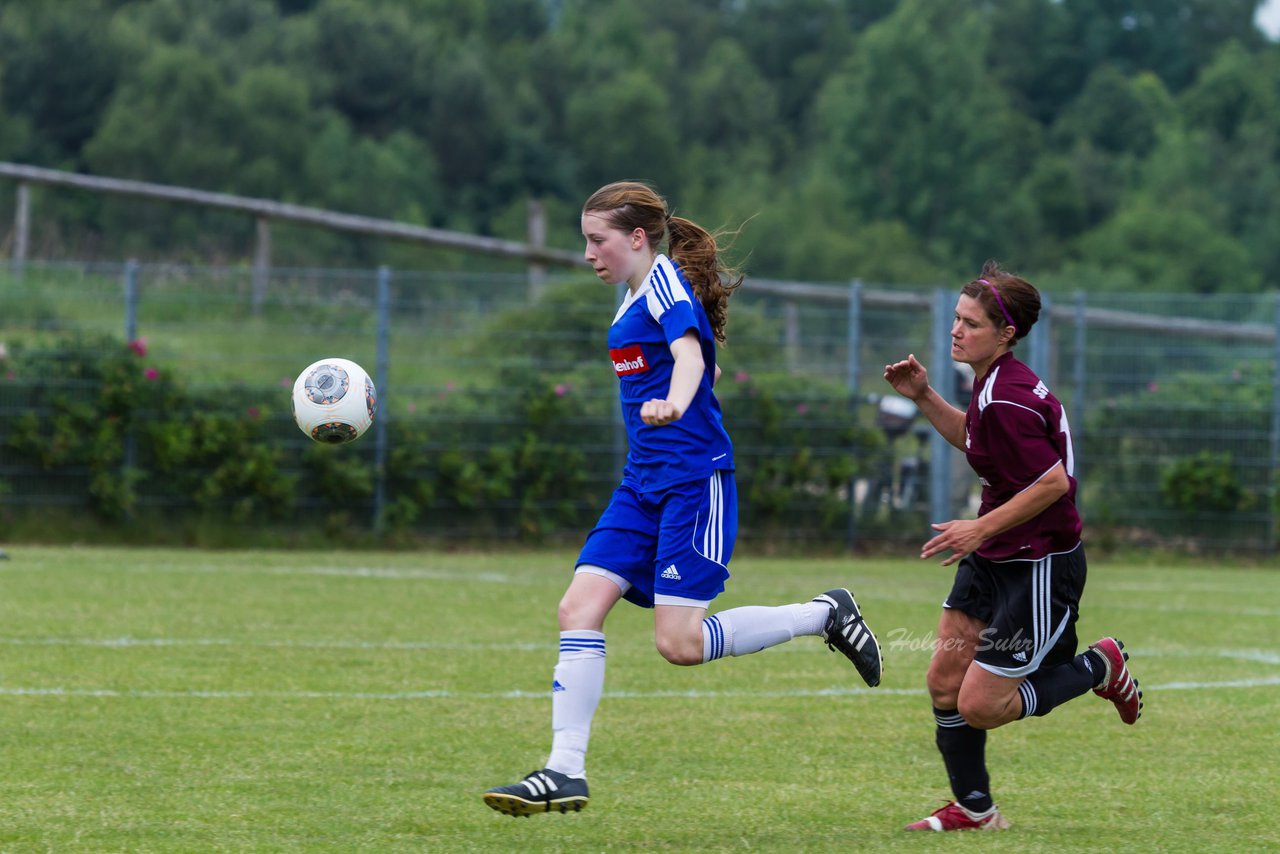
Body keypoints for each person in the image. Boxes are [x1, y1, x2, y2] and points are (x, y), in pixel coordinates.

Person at [483, 180, 883, 817]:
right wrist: (683, 388)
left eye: (597, 240)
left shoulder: (665, 282)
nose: (588, 253)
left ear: (637, 239)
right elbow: (699, 363)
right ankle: (564, 771)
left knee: (680, 645)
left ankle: (823, 614)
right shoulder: (630, 296)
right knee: (578, 608)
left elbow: (690, 354)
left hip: (695, 485)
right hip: (641, 485)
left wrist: (678, 398)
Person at [883, 260, 1143, 832]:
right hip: (998, 552)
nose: (956, 330)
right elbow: (977, 442)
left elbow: (1054, 484)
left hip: (1039, 562)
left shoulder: (1008, 397)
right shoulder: (992, 384)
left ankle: (1101, 665)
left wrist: (977, 529)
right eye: (956, 318)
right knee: (945, 681)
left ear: (1007, 335)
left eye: (970, 323)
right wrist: (924, 394)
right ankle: (977, 811)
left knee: (981, 704)